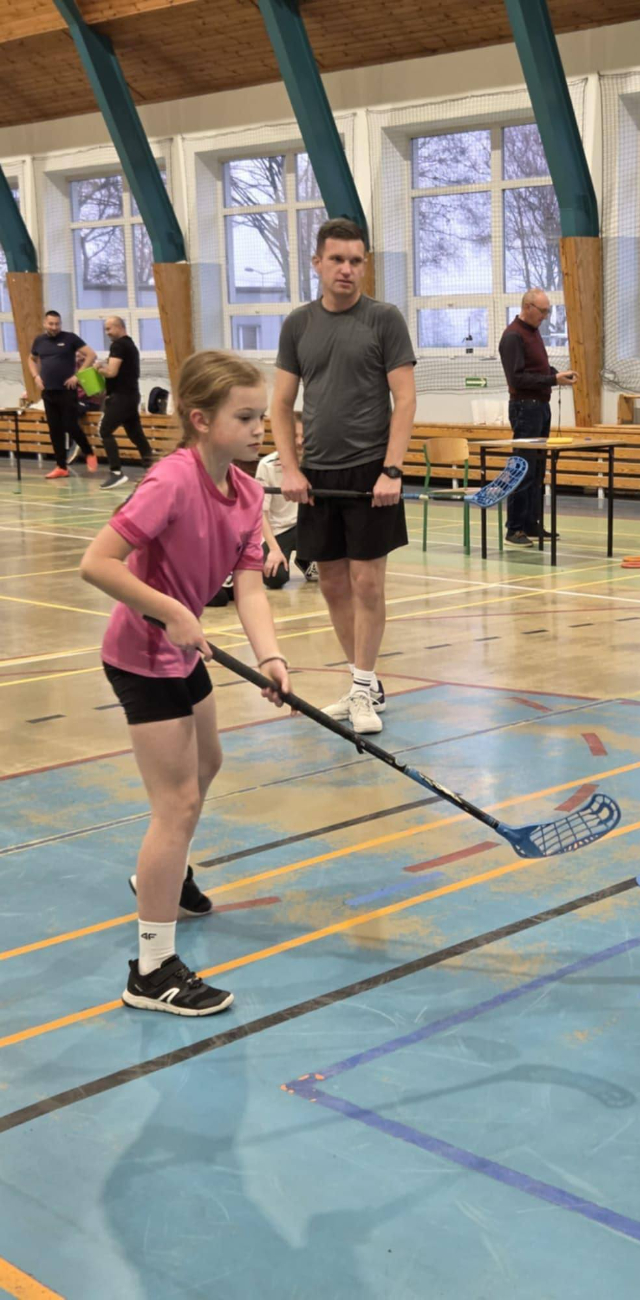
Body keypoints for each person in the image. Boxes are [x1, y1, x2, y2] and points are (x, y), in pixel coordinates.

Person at [79, 350, 290, 1017]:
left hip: (184, 652)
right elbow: (98, 563)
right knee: (177, 804)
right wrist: (170, 610)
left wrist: (271, 657)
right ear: (200, 420)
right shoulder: (171, 482)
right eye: (246, 416)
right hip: (143, 652)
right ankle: (151, 970)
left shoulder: (249, 490)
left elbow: (250, 582)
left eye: (262, 416)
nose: (261, 428)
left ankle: (160, 874)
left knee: (209, 764)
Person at [272, 217, 416, 735]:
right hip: (317, 475)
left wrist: (392, 470)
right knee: (331, 582)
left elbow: (405, 399)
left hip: (371, 473)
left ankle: (360, 687)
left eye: (356, 261)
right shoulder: (298, 325)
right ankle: (364, 682)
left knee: (367, 582)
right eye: (337, 260)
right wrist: (289, 467)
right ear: (318, 263)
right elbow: (282, 403)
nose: (347, 270)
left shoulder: (384, 320)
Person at [498, 289, 577, 546]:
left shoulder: (532, 333)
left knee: (538, 469)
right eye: (542, 311)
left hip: (540, 406)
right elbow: (518, 378)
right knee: (523, 468)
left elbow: (538, 370)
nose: (545, 316)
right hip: (524, 408)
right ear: (528, 306)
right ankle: (514, 528)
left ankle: (531, 523)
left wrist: (557, 375)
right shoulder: (513, 336)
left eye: (547, 311)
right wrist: (552, 379)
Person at [28, 310, 98, 479]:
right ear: (45, 323)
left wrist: (78, 375)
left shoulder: (70, 338)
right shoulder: (39, 341)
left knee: (70, 425)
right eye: (51, 324)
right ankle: (61, 466)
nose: (54, 327)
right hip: (48, 391)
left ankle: (89, 452)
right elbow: (31, 359)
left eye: (57, 324)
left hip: (66, 390)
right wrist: (36, 377)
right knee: (55, 429)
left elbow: (91, 355)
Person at [256, 412, 317, 588]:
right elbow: (261, 514)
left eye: (303, 437)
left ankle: (306, 558)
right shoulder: (267, 465)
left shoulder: (316, 463)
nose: (299, 442)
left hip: (308, 527)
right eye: (294, 436)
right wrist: (274, 550)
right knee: (275, 578)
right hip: (279, 531)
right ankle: (295, 556)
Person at [95, 316, 155, 489]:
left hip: (121, 398)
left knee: (104, 430)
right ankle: (152, 469)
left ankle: (116, 472)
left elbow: (112, 372)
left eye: (109, 329)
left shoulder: (119, 345)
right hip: (131, 396)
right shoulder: (130, 345)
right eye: (105, 329)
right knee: (136, 434)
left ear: (119, 327)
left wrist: (100, 369)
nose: (107, 333)